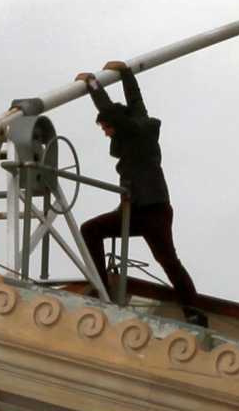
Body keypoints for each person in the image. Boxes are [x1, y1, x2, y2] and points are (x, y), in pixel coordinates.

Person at [75, 61, 207, 327]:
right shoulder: (138, 124)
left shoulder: (133, 131)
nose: (105, 133)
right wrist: (125, 73)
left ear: (115, 124)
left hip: (152, 209)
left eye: (105, 128)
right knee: (91, 230)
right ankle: (104, 291)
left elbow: (109, 108)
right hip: (136, 208)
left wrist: (92, 83)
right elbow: (135, 100)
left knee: (168, 260)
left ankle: (194, 312)